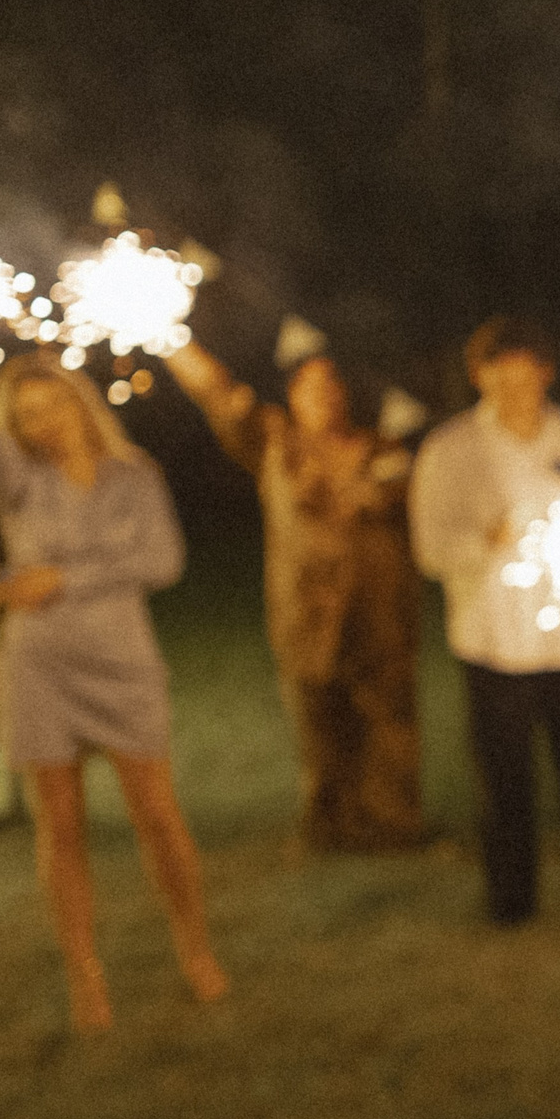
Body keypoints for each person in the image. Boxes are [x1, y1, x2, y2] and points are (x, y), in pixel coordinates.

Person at [0, 347, 227, 1035]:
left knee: (158, 815)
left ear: (78, 402)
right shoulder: (17, 482)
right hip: (38, 665)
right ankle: (85, 975)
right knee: (60, 826)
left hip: (121, 662)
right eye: (26, 415)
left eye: (50, 405)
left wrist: (62, 579)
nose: (41, 423)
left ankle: (195, 948)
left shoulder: (134, 477)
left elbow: (162, 561)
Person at [164, 315, 426, 851]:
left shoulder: (382, 450)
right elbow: (220, 396)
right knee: (319, 721)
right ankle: (330, 826)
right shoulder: (274, 444)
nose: (325, 396)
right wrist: (168, 333)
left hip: (379, 613)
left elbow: (404, 497)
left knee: (389, 722)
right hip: (306, 615)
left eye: (334, 385)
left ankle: (394, 825)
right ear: (293, 396)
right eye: (311, 386)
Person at [409, 317, 560, 926]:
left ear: (544, 374)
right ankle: (511, 902)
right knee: (503, 782)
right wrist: (486, 541)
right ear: (479, 378)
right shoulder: (450, 451)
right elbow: (430, 548)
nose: (514, 389)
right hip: (494, 643)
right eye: (499, 377)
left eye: (525, 375)